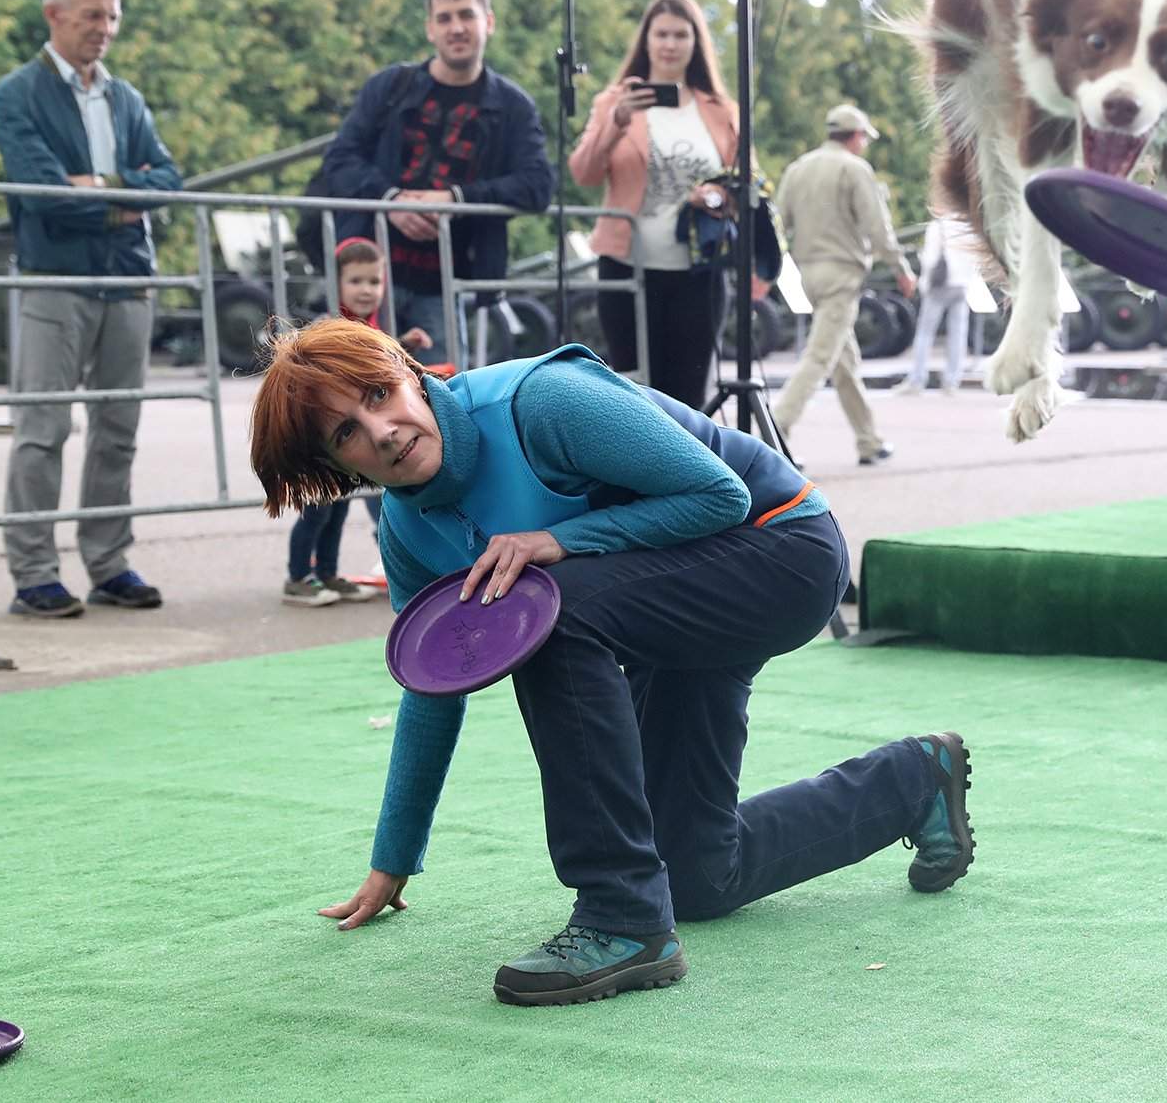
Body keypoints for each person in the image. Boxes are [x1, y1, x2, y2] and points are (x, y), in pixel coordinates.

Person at [247, 318, 976, 1007]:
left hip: (778, 548)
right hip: (659, 604)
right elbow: (436, 683)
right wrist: (394, 854)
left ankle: (621, 913)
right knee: (697, 873)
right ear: (335, 465)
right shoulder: (409, 530)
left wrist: (560, 541)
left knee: (541, 609)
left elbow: (721, 493)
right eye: (349, 431)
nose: (383, 430)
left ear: (409, 372)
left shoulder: (540, 402)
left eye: (379, 394)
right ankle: (915, 777)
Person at [0, 0, 180, 618]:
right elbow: (42, 195)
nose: (105, 27)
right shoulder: (18, 94)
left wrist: (98, 188)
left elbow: (170, 182)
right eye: (93, 14)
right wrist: (127, 191)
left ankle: (108, 562)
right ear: (55, 15)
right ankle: (34, 572)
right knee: (42, 426)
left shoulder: (126, 98)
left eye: (113, 15)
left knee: (117, 428)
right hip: (54, 278)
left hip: (126, 277)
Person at [315, 0, 554, 369]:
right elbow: (339, 160)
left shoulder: (514, 106)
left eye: (466, 15)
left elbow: (538, 185)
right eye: (444, 18)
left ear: (488, 22)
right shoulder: (390, 87)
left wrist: (455, 199)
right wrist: (391, 202)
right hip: (365, 275)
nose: (456, 27)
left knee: (441, 402)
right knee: (350, 392)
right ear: (430, 29)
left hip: (447, 282)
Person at [568, 0, 739, 411]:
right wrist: (616, 123)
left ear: (696, 43)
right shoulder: (613, 101)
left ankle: (689, 477)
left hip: (700, 270)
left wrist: (716, 196)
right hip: (628, 267)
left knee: (689, 395)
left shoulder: (720, 108)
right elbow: (583, 173)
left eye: (680, 35)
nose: (669, 44)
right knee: (635, 392)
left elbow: (743, 183)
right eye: (660, 34)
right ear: (645, 41)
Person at [281, 238, 432, 607]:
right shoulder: (326, 328)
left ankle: (329, 573)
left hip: (349, 440)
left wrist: (400, 344)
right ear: (336, 284)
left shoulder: (370, 326)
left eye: (374, 282)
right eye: (356, 281)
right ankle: (298, 577)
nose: (366, 290)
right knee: (316, 513)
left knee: (339, 510)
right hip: (324, 442)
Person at [770, 103, 917, 464]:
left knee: (843, 360)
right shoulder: (855, 169)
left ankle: (869, 441)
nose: (865, 144)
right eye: (865, 137)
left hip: (808, 273)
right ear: (855, 136)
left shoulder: (798, 168)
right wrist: (901, 267)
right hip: (841, 274)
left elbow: (778, 223)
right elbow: (876, 226)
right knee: (820, 357)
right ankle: (774, 432)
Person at [898, 215, 982, 395]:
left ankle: (917, 379)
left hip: (939, 285)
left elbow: (929, 258)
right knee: (958, 333)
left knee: (925, 333)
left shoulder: (938, 227)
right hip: (962, 285)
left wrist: (924, 285)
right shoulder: (969, 227)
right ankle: (952, 381)